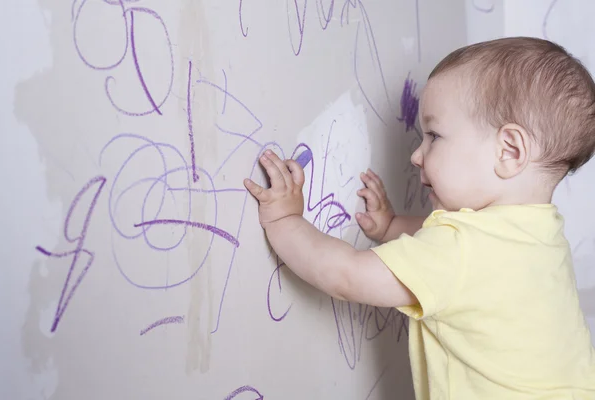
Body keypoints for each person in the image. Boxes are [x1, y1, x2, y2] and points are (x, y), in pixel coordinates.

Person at [243, 37, 595, 399]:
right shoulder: (542, 232)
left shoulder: (461, 254)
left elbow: (346, 276)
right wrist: (392, 227)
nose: (416, 155)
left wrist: (285, 221)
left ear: (509, 151)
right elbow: (454, 246)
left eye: (434, 136)